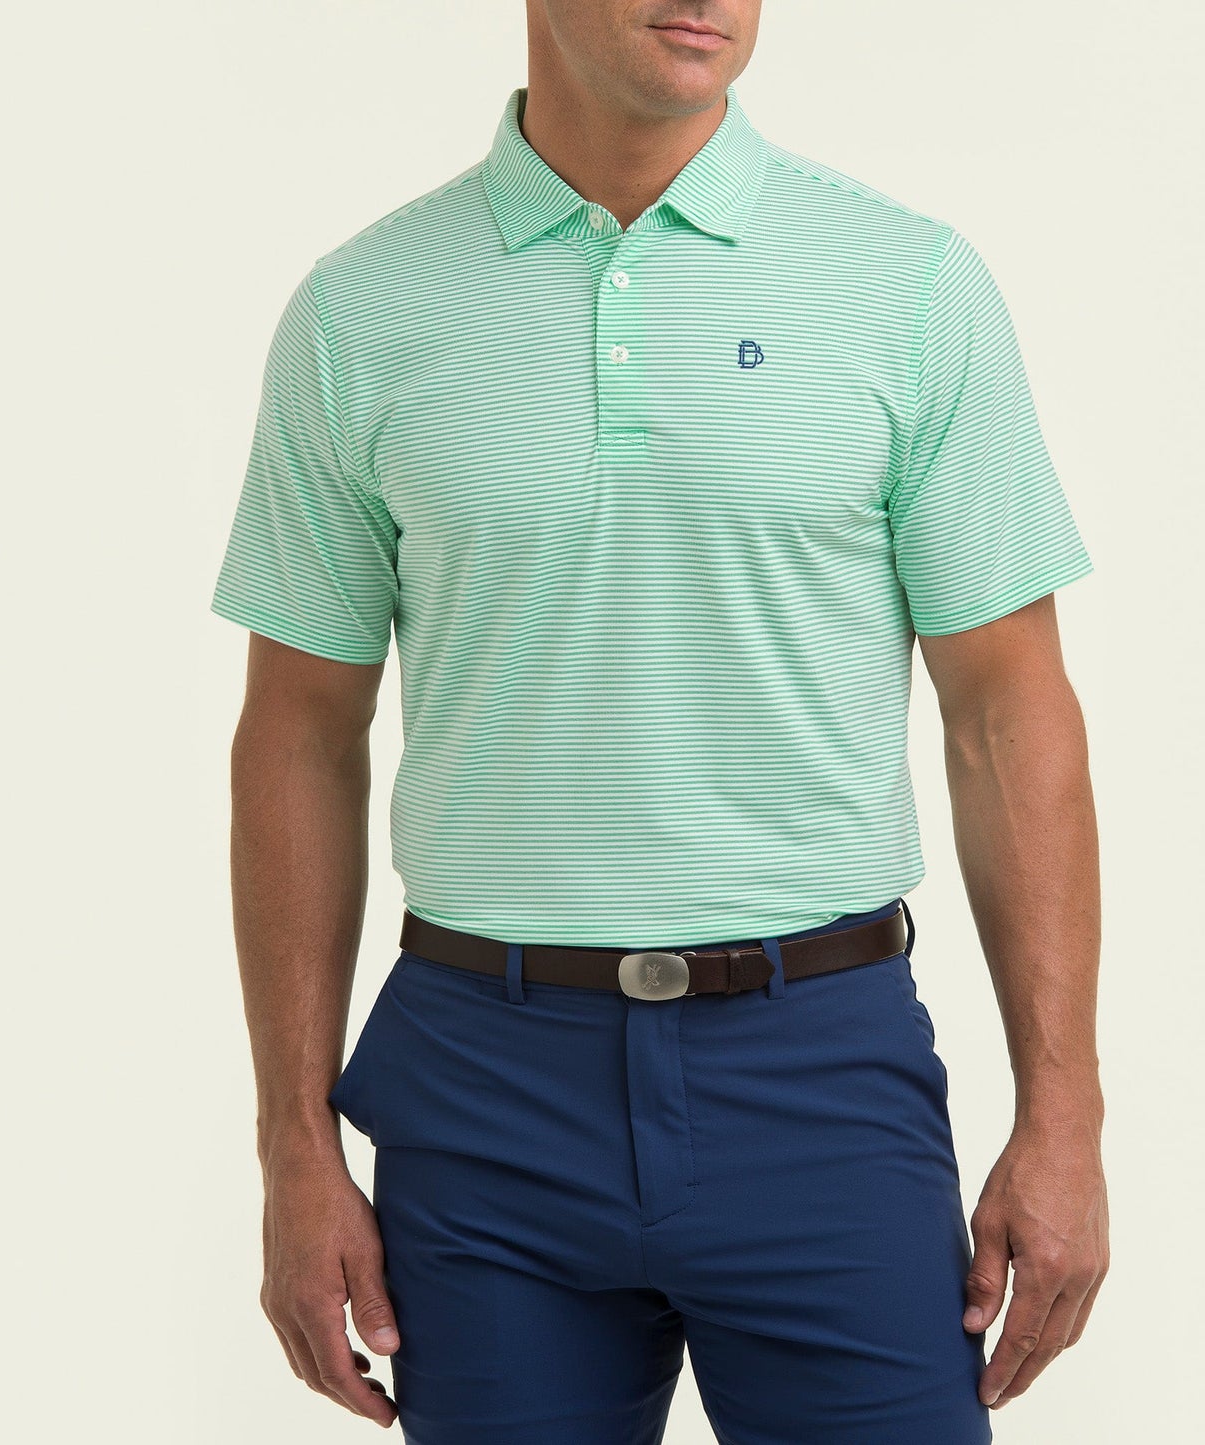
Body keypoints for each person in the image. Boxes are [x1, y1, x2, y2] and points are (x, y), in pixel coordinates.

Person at [209, 2, 1109, 1440]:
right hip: (483, 1090)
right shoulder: (361, 309)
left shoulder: (907, 284)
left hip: (821, 1071)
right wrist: (289, 1146)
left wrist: (1064, 1113)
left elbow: (1007, 712)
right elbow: (298, 734)